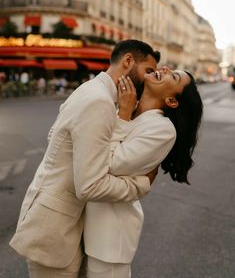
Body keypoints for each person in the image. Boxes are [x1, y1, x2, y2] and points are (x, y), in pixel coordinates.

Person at [9, 40, 160, 278]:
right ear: (128, 61)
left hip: (59, 221)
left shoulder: (90, 89)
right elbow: (90, 185)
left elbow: (55, 137)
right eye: (148, 71)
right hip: (56, 230)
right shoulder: (99, 102)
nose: (151, 78)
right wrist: (140, 184)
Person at [82, 67, 203, 278]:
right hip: (82, 227)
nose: (164, 69)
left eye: (173, 76)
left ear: (172, 102)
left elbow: (108, 164)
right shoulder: (126, 104)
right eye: (169, 69)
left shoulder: (163, 129)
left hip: (109, 239)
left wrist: (124, 116)